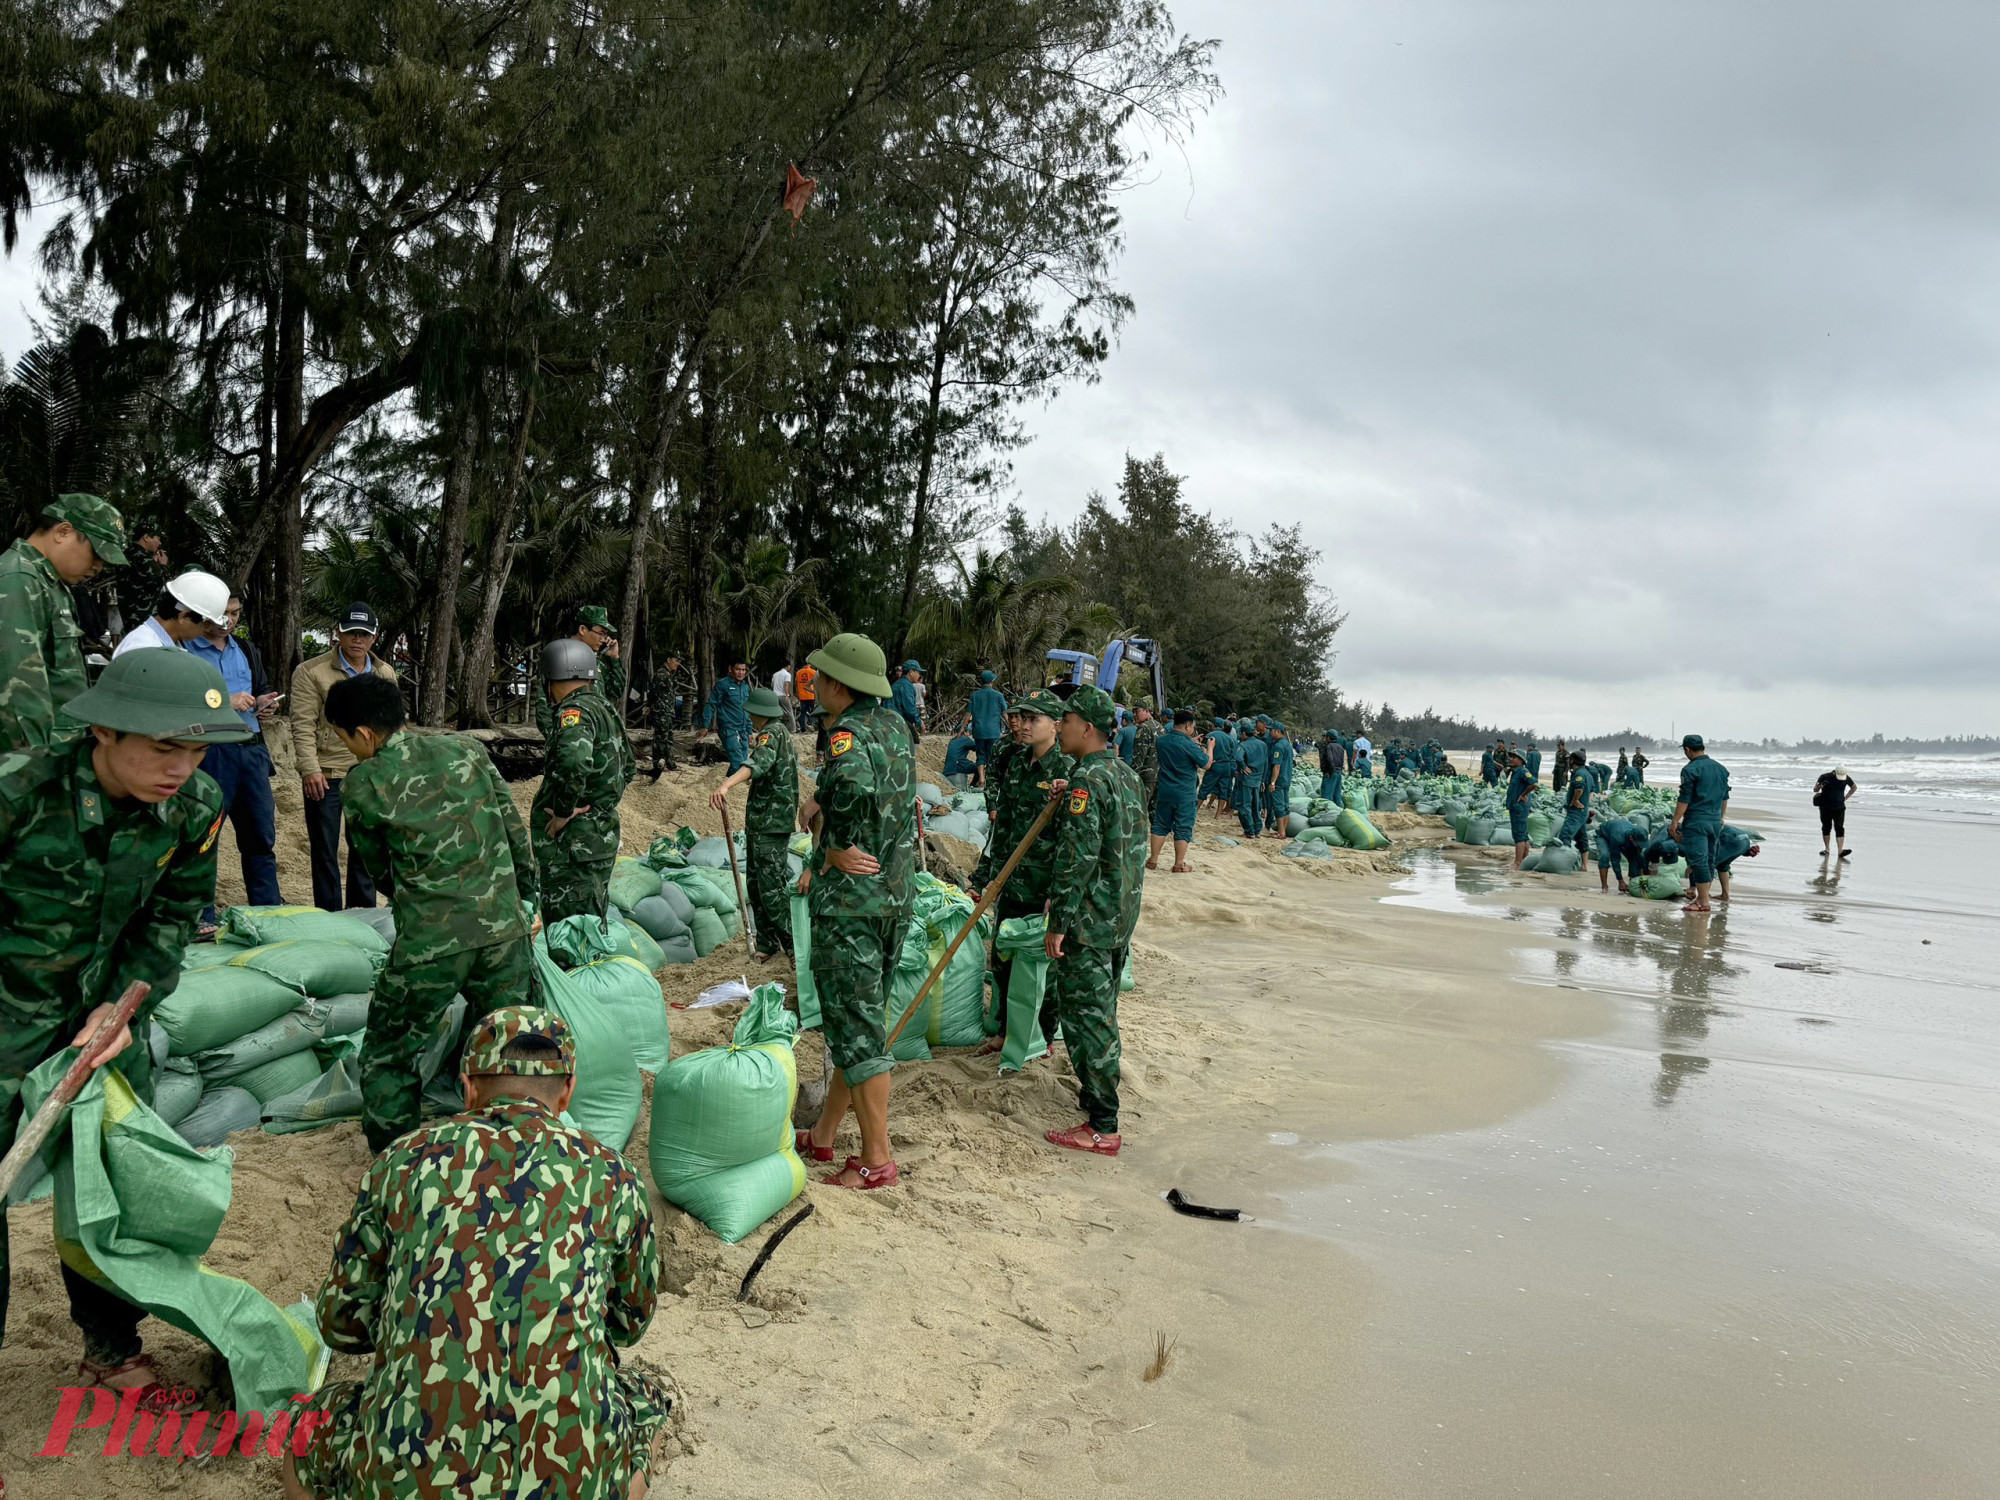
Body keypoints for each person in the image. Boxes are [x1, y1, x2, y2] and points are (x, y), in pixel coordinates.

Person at [282, 1007, 667, 1500]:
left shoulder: (402, 1160)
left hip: (402, 1479)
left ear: (467, 1087)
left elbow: (340, 1324)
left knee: (305, 1422)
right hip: (569, 1476)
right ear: (567, 1091)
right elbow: (629, 1325)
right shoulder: (613, 1175)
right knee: (644, 1403)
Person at [0, 648, 248, 1392]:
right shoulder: (20, 792)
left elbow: (172, 916)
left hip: (107, 1017)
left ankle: (110, 1347)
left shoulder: (196, 806)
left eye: (198, 747)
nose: (183, 766)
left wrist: (125, 1003)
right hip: (6, 1016)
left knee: (108, 1184)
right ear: (105, 730)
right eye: (166, 746)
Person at [323, 673, 541, 1151]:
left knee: (390, 1050)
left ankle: (393, 1152)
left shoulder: (363, 783)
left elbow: (378, 868)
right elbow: (512, 830)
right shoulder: (467, 751)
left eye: (341, 737)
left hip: (430, 944)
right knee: (513, 1043)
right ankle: (515, 1144)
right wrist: (529, 900)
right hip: (505, 932)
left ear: (363, 733)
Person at [796, 633, 916, 1189]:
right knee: (859, 1022)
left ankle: (876, 1160)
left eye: (820, 676)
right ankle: (823, 1137)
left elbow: (852, 784)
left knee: (860, 1032)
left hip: (851, 906)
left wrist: (831, 846)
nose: (815, 684)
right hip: (893, 897)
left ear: (839, 684)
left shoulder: (844, 735)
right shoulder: (895, 727)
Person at [1042, 685, 1146, 1156]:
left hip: (1088, 920)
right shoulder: (1124, 775)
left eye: (1064, 721)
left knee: (1089, 1019)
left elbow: (1077, 859)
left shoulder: (1088, 780)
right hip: (1119, 915)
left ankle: (1103, 1123)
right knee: (1100, 1010)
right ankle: (1094, 1100)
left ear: (1086, 728)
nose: (1059, 728)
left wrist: (1059, 921)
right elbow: (1126, 844)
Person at [971, 688, 1073, 1057]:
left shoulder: (1067, 773)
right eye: (1023, 718)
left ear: (1056, 726)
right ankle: (1005, 1030)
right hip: (1011, 881)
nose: (1024, 725)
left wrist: (1057, 893)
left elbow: (1070, 841)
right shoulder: (1016, 764)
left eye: (1034, 720)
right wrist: (984, 879)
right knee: (1002, 959)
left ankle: (1041, 1036)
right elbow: (1004, 830)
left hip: (1043, 885)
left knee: (1042, 967)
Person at [292, 603, 399, 910]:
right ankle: (328, 915)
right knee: (325, 851)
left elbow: (391, 725)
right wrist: (310, 769)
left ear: (374, 638)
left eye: (364, 634)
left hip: (370, 773)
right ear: (337, 632)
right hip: (326, 774)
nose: (357, 640)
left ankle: (362, 914)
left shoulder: (384, 672)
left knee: (365, 849)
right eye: (351, 632)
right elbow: (302, 724)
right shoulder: (311, 672)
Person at [188, 593, 284, 932]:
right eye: (222, 613)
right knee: (204, 836)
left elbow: (260, 687)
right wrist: (223, 701)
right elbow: (180, 699)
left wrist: (264, 700)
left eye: (235, 613)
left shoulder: (245, 649)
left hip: (251, 748)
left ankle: (269, 911)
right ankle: (201, 916)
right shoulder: (185, 650)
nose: (229, 620)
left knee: (260, 836)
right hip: (211, 750)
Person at [0, 494, 127, 750]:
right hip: (37, 756)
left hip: (60, 745)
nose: (99, 567)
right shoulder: (19, 579)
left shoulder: (49, 582)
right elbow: (17, 691)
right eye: (97, 554)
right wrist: (33, 766)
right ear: (63, 532)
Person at [533, 638, 634, 926]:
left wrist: (565, 810)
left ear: (551, 677)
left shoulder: (573, 713)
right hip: (598, 835)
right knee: (590, 923)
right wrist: (600, 803)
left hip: (574, 847)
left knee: (571, 932)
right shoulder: (605, 709)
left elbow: (573, 762)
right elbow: (628, 767)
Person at [708, 685, 797, 959]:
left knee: (771, 887)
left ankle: (793, 944)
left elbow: (756, 765)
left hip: (771, 822)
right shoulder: (774, 734)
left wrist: (726, 784)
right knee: (757, 885)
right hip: (763, 822)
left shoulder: (771, 734)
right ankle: (768, 942)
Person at [536, 606, 625, 734]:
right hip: (571, 737)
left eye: (605, 634)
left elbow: (617, 691)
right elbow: (543, 706)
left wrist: (614, 658)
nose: (603, 639)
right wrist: (558, 740)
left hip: (597, 738)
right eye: (601, 633)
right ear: (583, 629)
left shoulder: (597, 661)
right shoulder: (559, 656)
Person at [1668, 734, 1730, 913]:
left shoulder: (1690, 770)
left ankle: (1703, 901)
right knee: (1710, 859)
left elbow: (1684, 799)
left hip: (1697, 821)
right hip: (1714, 821)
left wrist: (1675, 821)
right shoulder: (1721, 769)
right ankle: (1702, 898)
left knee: (1699, 860)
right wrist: (1721, 816)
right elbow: (1724, 797)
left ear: (1687, 749)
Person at [112, 568, 230, 657]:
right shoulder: (145, 649)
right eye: (207, 623)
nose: (208, 629)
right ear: (184, 617)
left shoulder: (160, 643)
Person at [1147, 709, 1210, 874]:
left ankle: (1153, 860)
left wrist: (1192, 741)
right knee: (1183, 828)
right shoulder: (1189, 745)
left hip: (1165, 790)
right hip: (1185, 793)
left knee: (1160, 825)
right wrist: (1209, 748)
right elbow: (1206, 763)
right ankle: (1179, 863)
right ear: (1188, 726)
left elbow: (1177, 748)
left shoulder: (1161, 741)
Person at [699, 659, 753, 772]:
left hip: (743, 730)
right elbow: (711, 705)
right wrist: (705, 726)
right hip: (728, 729)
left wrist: (749, 731)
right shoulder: (722, 685)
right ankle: (733, 787)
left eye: (743, 670)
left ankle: (729, 784)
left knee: (744, 762)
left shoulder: (745, 687)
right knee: (738, 761)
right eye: (738, 669)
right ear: (730, 669)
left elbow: (746, 711)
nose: (741, 673)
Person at [646, 653, 684, 778]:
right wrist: (650, 707)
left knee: (667, 738)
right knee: (660, 739)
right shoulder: (661, 675)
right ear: (668, 660)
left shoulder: (668, 674)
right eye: (676, 660)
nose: (677, 664)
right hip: (660, 711)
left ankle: (670, 763)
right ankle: (658, 764)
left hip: (666, 711)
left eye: (679, 661)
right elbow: (653, 693)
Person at [969, 669, 1008, 779]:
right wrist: (1012, 727)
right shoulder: (999, 695)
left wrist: (962, 728)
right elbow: (1005, 713)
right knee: (992, 756)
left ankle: (981, 778)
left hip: (979, 731)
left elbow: (968, 714)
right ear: (992, 681)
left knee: (980, 755)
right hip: (993, 732)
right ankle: (989, 778)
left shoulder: (974, 695)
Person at [1234, 718, 1269, 838]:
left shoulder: (1242, 745)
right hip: (1258, 779)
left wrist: (1243, 766)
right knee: (1256, 805)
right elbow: (1265, 762)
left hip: (1247, 779)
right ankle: (1257, 829)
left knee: (1245, 805)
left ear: (1243, 733)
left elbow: (1238, 757)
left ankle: (1249, 830)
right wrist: (1263, 779)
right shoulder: (1263, 745)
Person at [1596, 816, 1648, 893]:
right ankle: (1604, 886)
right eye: (1638, 843)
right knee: (1604, 856)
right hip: (1604, 836)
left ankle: (1632, 883)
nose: (1640, 845)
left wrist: (1635, 880)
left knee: (1636, 857)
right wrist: (1620, 880)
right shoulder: (1618, 838)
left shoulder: (1637, 836)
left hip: (1621, 835)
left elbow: (1636, 858)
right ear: (1631, 838)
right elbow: (1615, 860)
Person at [1813, 766, 1856, 859]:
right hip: (1825, 806)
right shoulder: (1824, 777)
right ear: (1834, 773)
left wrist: (1846, 797)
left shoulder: (1846, 777)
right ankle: (1827, 849)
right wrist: (1819, 787)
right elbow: (1815, 790)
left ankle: (1840, 851)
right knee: (1826, 827)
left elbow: (1854, 787)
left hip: (1840, 807)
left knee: (1839, 828)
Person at [1558, 750, 1592, 862]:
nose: (1568, 761)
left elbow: (1579, 788)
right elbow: (1591, 791)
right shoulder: (1587, 773)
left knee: (1565, 835)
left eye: (1569, 759)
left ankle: (1564, 862)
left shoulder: (1579, 774)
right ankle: (1584, 865)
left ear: (1573, 760)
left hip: (1576, 812)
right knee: (1581, 838)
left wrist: (1575, 800)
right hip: (1583, 811)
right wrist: (1585, 803)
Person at [1504, 749, 1535, 867]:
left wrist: (1524, 794)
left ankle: (1517, 863)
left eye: (1514, 757)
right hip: (1516, 807)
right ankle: (1524, 860)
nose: (1510, 759)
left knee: (1519, 835)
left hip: (1519, 808)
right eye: (1510, 756)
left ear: (1521, 760)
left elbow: (1534, 783)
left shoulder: (1523, 771)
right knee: (1523, 834)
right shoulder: (1516, 771)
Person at [1265, 718, 1295, 838]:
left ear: (1277, 731)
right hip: (1286, 778)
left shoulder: (1278, 746)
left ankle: (1281, 833)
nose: (1270, 733)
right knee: (1285, 806)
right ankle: (1284, 831)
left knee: (1278, 807)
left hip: (1279, 780)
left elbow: (1276, 766)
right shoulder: (1287, 744)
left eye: (1271, 730)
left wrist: (1272, 782)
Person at [1201, 717, 1239, 811]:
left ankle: (1196, 809)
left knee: (1205, 789)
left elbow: (1204, 747)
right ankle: (1218, 814)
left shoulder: (1211, 735)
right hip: (1228, 766)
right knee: (1224, 790)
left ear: (1214, 725)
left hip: (1214, 764)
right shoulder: (1231, 739)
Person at [1130, 703, 1160, 809]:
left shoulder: (1143, 728)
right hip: (1159, 775)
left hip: (1145, 777)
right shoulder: (1159, 726)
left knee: (1139, 809)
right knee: (1155, 811)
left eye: (1137, 711)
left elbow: (1139, 756)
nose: (1134, 715)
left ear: (1147, 711)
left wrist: (1133, 776)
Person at [942, 718, 980, 790]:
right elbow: (979, 748)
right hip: (957, 766)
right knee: (978, 768)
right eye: (968, 732)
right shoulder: (965, 739)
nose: (969, 734)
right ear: (965, 732)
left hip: (949, 768)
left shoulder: (953, 740)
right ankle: (973, 785)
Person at [891, 658, 924, 740]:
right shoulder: (906, 686)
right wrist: (920, 723)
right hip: (897, 724)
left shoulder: (897, 684)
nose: (919, 675)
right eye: (918, 672)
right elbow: (910, 709)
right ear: (911, 672)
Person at [1318, 727, 1347, 805]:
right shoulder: (1340, 747)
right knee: (1337, 795)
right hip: (1339, 772)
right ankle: (1337, 812)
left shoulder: (1329, 747)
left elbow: (1330, 760)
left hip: (1331, 772)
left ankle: (1327, 813)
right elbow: (1342, 761)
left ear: (1328, 737)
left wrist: (1328, 771)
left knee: (1326, 795)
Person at [793, 658, 818, 733]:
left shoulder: (798, 672)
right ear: (810, 664)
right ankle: (812, 725)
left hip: (802, 696)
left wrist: (797, 694)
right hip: (811, 695)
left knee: (803, 712)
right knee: (813, 711)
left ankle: (803, 728)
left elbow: (796, 684)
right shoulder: (814, 672)